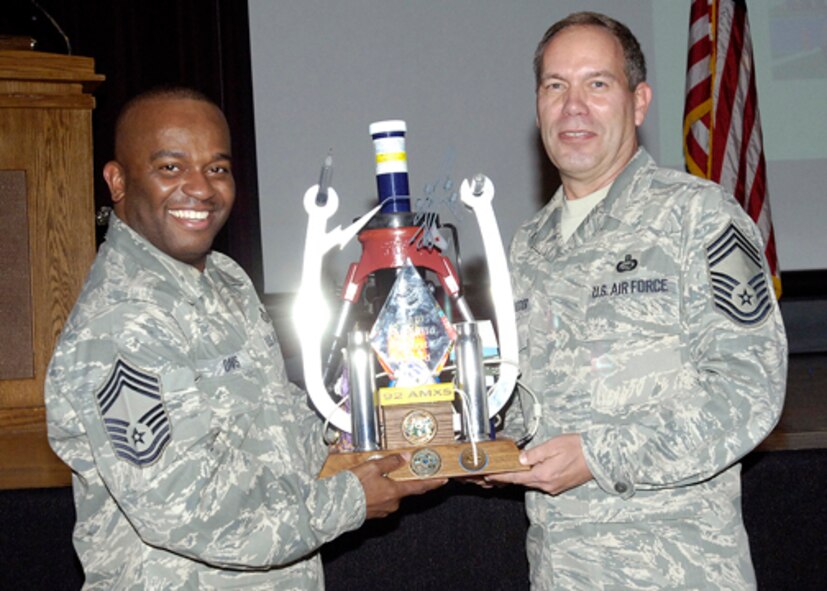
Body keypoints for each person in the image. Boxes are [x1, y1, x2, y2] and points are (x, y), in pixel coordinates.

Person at [45, 87, 445, 590]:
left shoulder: (225, 280)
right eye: (171, 167)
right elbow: (185, 510)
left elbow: (276, 424)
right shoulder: (122, 323)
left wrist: (362, 435)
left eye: (217, 168)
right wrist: (351, 499)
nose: (201, 189)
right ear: (118, 180)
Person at [490, 12, 788, 590]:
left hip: (677, 572)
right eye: (555, 86)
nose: (573, 106)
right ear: (538, 107)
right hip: (561, 572)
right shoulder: (530, 246)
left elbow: (748, 388)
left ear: (640, 100)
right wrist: (481, 440)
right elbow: (532, 397)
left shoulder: (698, 217)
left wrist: (600, 456)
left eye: (597, 84)